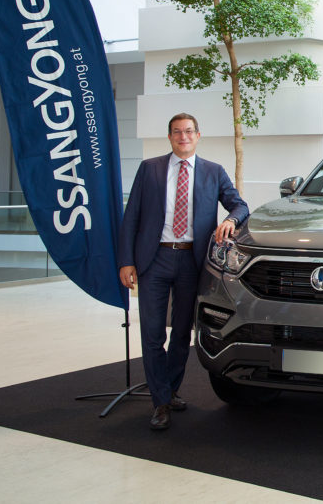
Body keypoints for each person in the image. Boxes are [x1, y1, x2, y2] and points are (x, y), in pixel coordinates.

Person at [118, 113, 248, 430]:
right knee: (151, 333)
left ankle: (170, 389)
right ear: (170, 137)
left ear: (198, 136)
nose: (183, 136)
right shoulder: (150, 169)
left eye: (188, 131)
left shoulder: (213, 172)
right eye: (177, 132)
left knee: (181, 335)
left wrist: (230, 220)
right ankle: (160, 402)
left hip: (192, 262)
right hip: (154, 260)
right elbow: (131, 215)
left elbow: (240, 205)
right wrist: (126, 261)